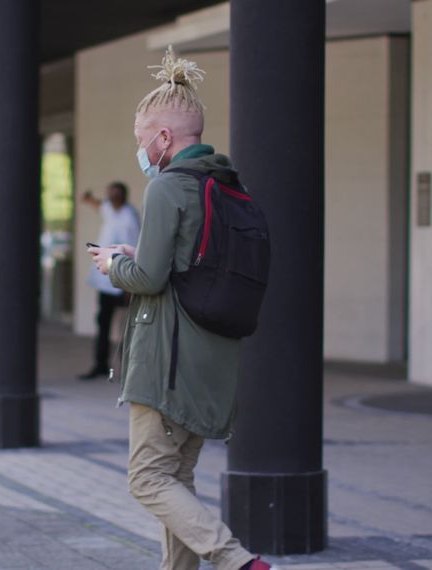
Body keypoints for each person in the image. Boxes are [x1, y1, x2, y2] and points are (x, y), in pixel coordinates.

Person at [88, 47, 275, 570]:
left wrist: (111, 265)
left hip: (168, 363)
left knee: (147, 479)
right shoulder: (223, 183)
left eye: (142, 138)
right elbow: (184, 265)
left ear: (164, 137)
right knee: (178, 480)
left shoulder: (168, 186)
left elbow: (147, 278)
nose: (141, 149)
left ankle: (237, 561)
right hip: (212, 360)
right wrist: (134, 254)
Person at [79, 181, 140, 380]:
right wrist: (87, 198)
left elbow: (136, 246)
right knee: (103, 322)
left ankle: (129, 369)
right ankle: (101, 364)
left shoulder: (130, 217)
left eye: (116, 194)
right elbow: (98, 204)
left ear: (123, 196)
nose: (112, 197)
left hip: (124, 278)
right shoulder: (108, 209)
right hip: (106, 278)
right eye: (110, 194)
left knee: (127, 325)